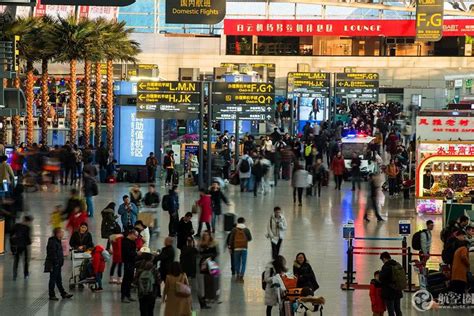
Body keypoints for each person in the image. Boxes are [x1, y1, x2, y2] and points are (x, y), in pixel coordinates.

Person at [45, 228, 73, 300]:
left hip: (58, 264)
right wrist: (56, 262)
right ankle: (52, 295)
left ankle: (63, 293)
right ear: (57, 233)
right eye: (62, 232)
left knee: (58, 280)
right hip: (55, 264)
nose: (63, 234)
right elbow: (52, 253)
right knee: (53, 279)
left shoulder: (58, 241)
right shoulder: (52, 242)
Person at [135, 247, 160, 316]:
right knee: (150, 310)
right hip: (152, 292)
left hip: (141, 292)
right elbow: (158, 281)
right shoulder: (154, 269)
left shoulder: (139, 268)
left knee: (143, 310)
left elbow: (135, 281)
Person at [197, 231, 218, 309]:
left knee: (213, 281)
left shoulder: (213, 244)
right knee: (205, 281)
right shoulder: (201, 244)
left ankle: (212, 296)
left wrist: (208, 257)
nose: (206, 237)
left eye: (207, 235)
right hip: (204, 265)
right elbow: (199, 254)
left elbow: (215, 253)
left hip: (212, 265)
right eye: (205, 235)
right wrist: (207, 256)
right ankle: (205, 296)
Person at [228, 217, 252, 283]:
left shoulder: (234, 230)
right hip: (244, 248)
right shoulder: (246, 229)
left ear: (237, 222)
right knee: (243, 263)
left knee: (237, 262)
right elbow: (250, 238)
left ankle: (237, 275)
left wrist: (230, 247)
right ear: (244, 222)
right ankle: (241, 277)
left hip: (236, 248)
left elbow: (231, 239)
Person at [379, 252, 404, 316]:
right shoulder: (397, 264)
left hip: (389, 293)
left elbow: (381, 278)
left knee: (391, 311)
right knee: (398, 310)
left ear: (384, 258)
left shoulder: (386, 266)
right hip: (398, 290)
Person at [10, 215, 33, 280]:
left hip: (16, 246)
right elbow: (27, 238)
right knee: (25, 260)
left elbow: (11, 234)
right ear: (27, 221)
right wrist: (30, 242)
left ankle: (15, 274)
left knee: (16, 260)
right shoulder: (27, 228)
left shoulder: (16, 225)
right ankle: (26, 274)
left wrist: (12, 244)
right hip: (24, 246)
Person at [121, 229, 139, 303]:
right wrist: (136, 254)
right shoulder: (125, 242)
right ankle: (123, 296)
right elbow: (128, 253)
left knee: (130, 279)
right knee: (126, 279)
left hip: (132, 262)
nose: (136, 237)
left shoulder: (132, 242)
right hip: (127, 262)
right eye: (135, 235)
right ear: (131, 234)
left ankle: (128, 295)